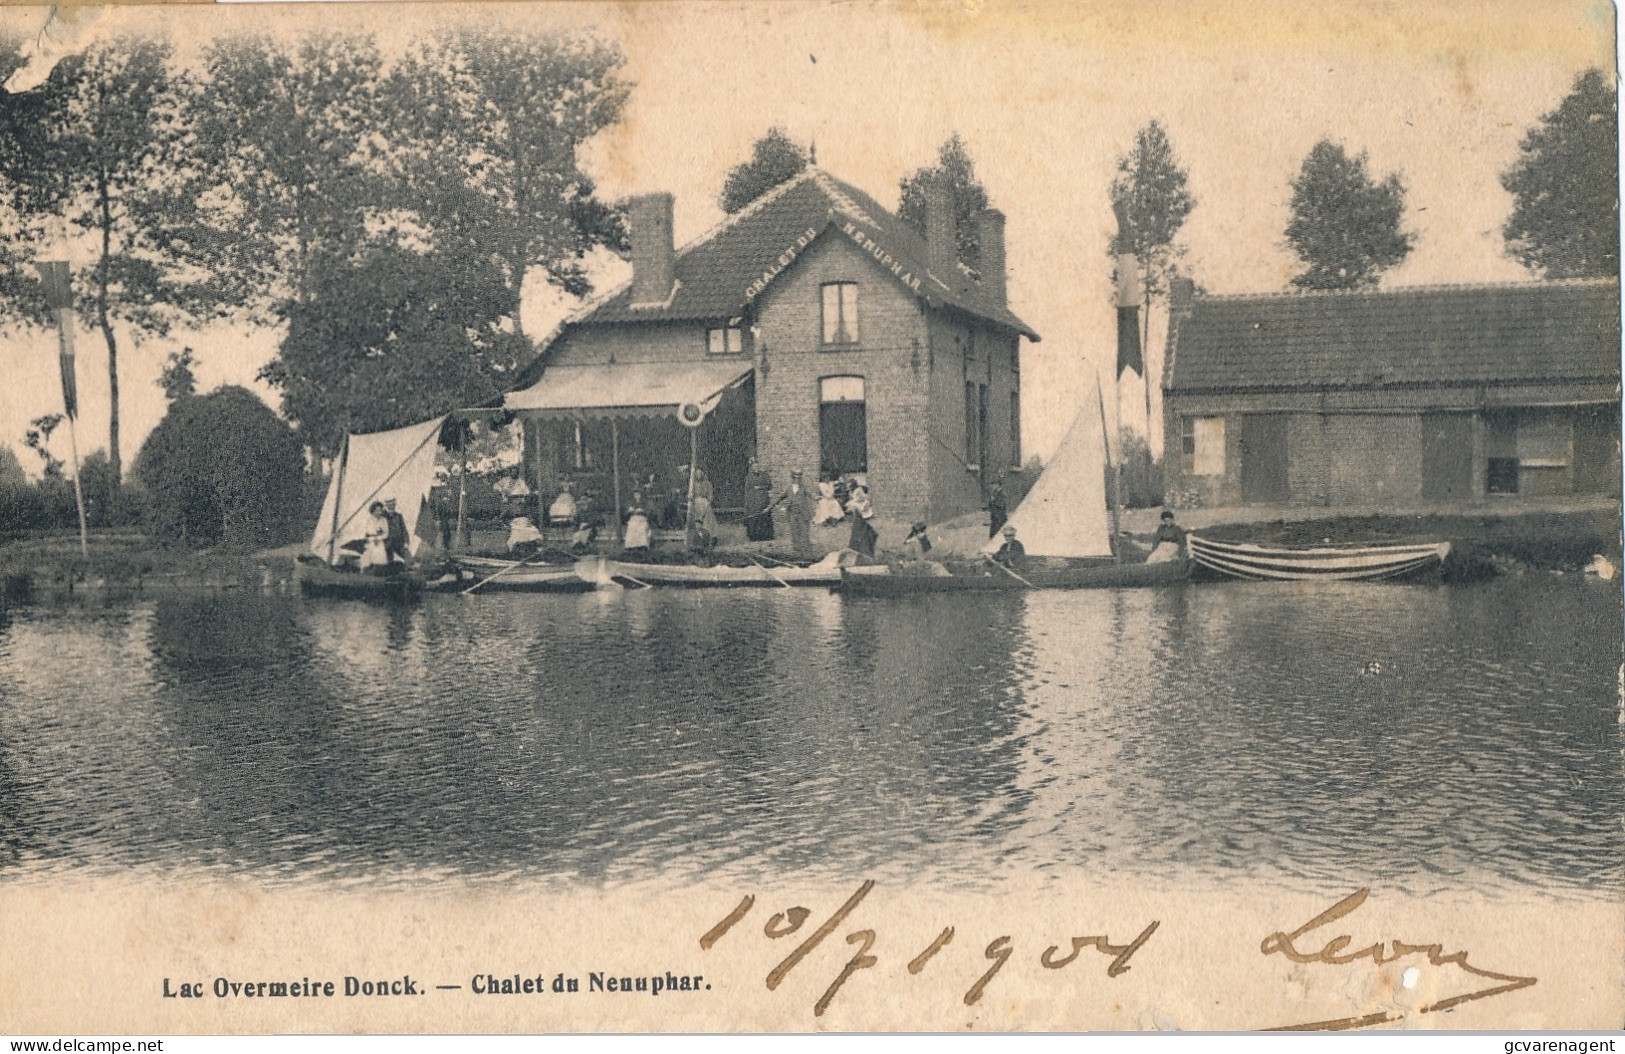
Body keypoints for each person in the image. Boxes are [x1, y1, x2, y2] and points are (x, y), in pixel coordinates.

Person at [781, 469, 815, 554]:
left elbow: (810, 494)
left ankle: (806, 550)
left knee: (804, 531)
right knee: (794, 531)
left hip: (802, 513)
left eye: (799, 478)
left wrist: (816, 498)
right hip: (792, 513)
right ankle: (797, 549)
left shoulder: (804, 487)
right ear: (792, 478)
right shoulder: (789, 489)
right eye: (795, 478)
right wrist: (770, 507)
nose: (797, 480)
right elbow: (780, 497)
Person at [743, 457, 775, 541]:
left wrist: (761, 487)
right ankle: (754, 536)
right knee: (754, 517)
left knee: (764, 516)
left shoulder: (764, 475)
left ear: (759, 466)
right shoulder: (749, 477)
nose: (756, 468)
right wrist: (748, 500)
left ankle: (766, 536)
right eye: (754, 467)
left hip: (763, 498)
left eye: (757, 467)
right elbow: (747, 489)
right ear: (751, 468)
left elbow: (769, 485)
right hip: (753, 500)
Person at [359, 501, 392, 575]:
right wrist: (372, 538)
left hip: (379, 541)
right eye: (377, 510)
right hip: (370, 541)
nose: (379, 512)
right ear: (373, 511)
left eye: (380, 510)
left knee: (380, 557)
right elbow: (368, 532)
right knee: (367, 557)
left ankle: (377, 572)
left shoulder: (383, 520)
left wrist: (379, 538)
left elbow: (386, 533)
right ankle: (364, 572)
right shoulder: (368, 520)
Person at [846, 482, 877, 558]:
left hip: (861, 506)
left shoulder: (858, 491)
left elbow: (860, 499)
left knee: (861, 525)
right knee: (859, 525)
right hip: (859, 510)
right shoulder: (854, 492)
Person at [382, 499, 411, 566]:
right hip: (387, 544)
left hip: (399, 543)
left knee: (409, 559)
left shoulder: (398, 516)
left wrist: (406, 542)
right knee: (388, 563)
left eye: (393, 504)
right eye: (389, 504)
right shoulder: (382, 516)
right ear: (386, 505)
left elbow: (404, 530)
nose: (391, 506)